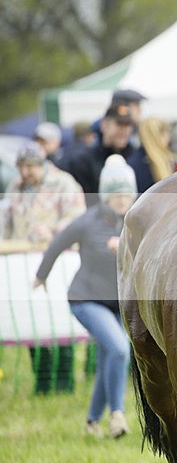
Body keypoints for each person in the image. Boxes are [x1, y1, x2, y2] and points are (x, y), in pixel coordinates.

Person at [34, 154, 136, 438]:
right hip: (86, 299)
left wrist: (126, 247)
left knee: (108, 358)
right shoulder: (89, 221)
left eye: (126, 193)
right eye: (115, 194)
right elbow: (56, 244)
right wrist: (41, 275)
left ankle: (92, 421)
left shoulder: (136, 223)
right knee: (118, 349)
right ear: (105, 195)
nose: (121, 199)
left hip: (117, 303)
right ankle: (117, 415)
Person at [3, 142, 86, 394]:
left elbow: (77, 218)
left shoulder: (65, 184)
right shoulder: (15, 188)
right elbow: (5, 219)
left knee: (60, 319)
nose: (25, 172)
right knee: (32, 319)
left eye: (29, 167)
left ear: (42, 165)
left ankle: (64, 383)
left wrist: (52, 231)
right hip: (23, 262)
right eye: (21, 167)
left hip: (59, 262)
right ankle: (42, 382)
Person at [59, 102, 137, 207]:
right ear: (104, 125)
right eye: (119, 124)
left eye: (127, 125)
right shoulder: (83, 161)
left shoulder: (135, 159)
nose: (124, 130)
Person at [127, 117, 177, 192]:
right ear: (160, 136)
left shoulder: (131, 163)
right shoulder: (168, 163)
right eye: (166, 134)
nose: (168, 139)